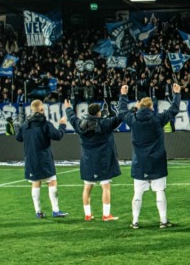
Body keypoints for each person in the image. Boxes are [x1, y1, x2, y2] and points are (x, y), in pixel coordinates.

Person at [119, 83, 182, 229]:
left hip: (139, 162)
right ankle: (163, 221)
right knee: (159, 191)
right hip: (156, 161)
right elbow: (174, 110)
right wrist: (177, 94)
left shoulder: (133, 119)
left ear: (139, 107)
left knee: (138, 193)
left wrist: (123, 95)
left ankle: (135, 222)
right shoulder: (157, 119)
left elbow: (122, 111)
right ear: (151, 107)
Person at [64, 95, 125, 221]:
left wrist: (68, 108)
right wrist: (123, 97)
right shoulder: (105, 123)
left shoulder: (81, 125)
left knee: (87, 188)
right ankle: (106, 214)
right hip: (104, 160)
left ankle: (88, 215)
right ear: (99, 112)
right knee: (106, 187)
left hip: (88, 161)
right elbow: (120, 117)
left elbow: (72, 118)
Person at [16, 99, 67, 218]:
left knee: (35, 183)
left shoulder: (26, 125)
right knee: (52, 181)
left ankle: (38, 212)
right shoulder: (45, 124)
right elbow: (58, 136)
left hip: (30, 159)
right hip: (44, 158)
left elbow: (19, 138)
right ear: (42, 109)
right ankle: (55, 210)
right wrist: (63, 125)